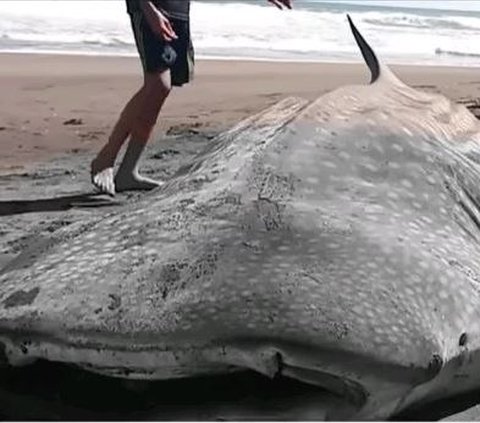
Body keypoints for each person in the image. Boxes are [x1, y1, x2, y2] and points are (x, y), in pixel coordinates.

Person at [91, 0, 293, 196]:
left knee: (160, 91)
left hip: (177, 10)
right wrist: (147, 7)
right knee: (158, 83)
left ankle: (128, 172)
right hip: (152, 8)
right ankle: (106, 159)